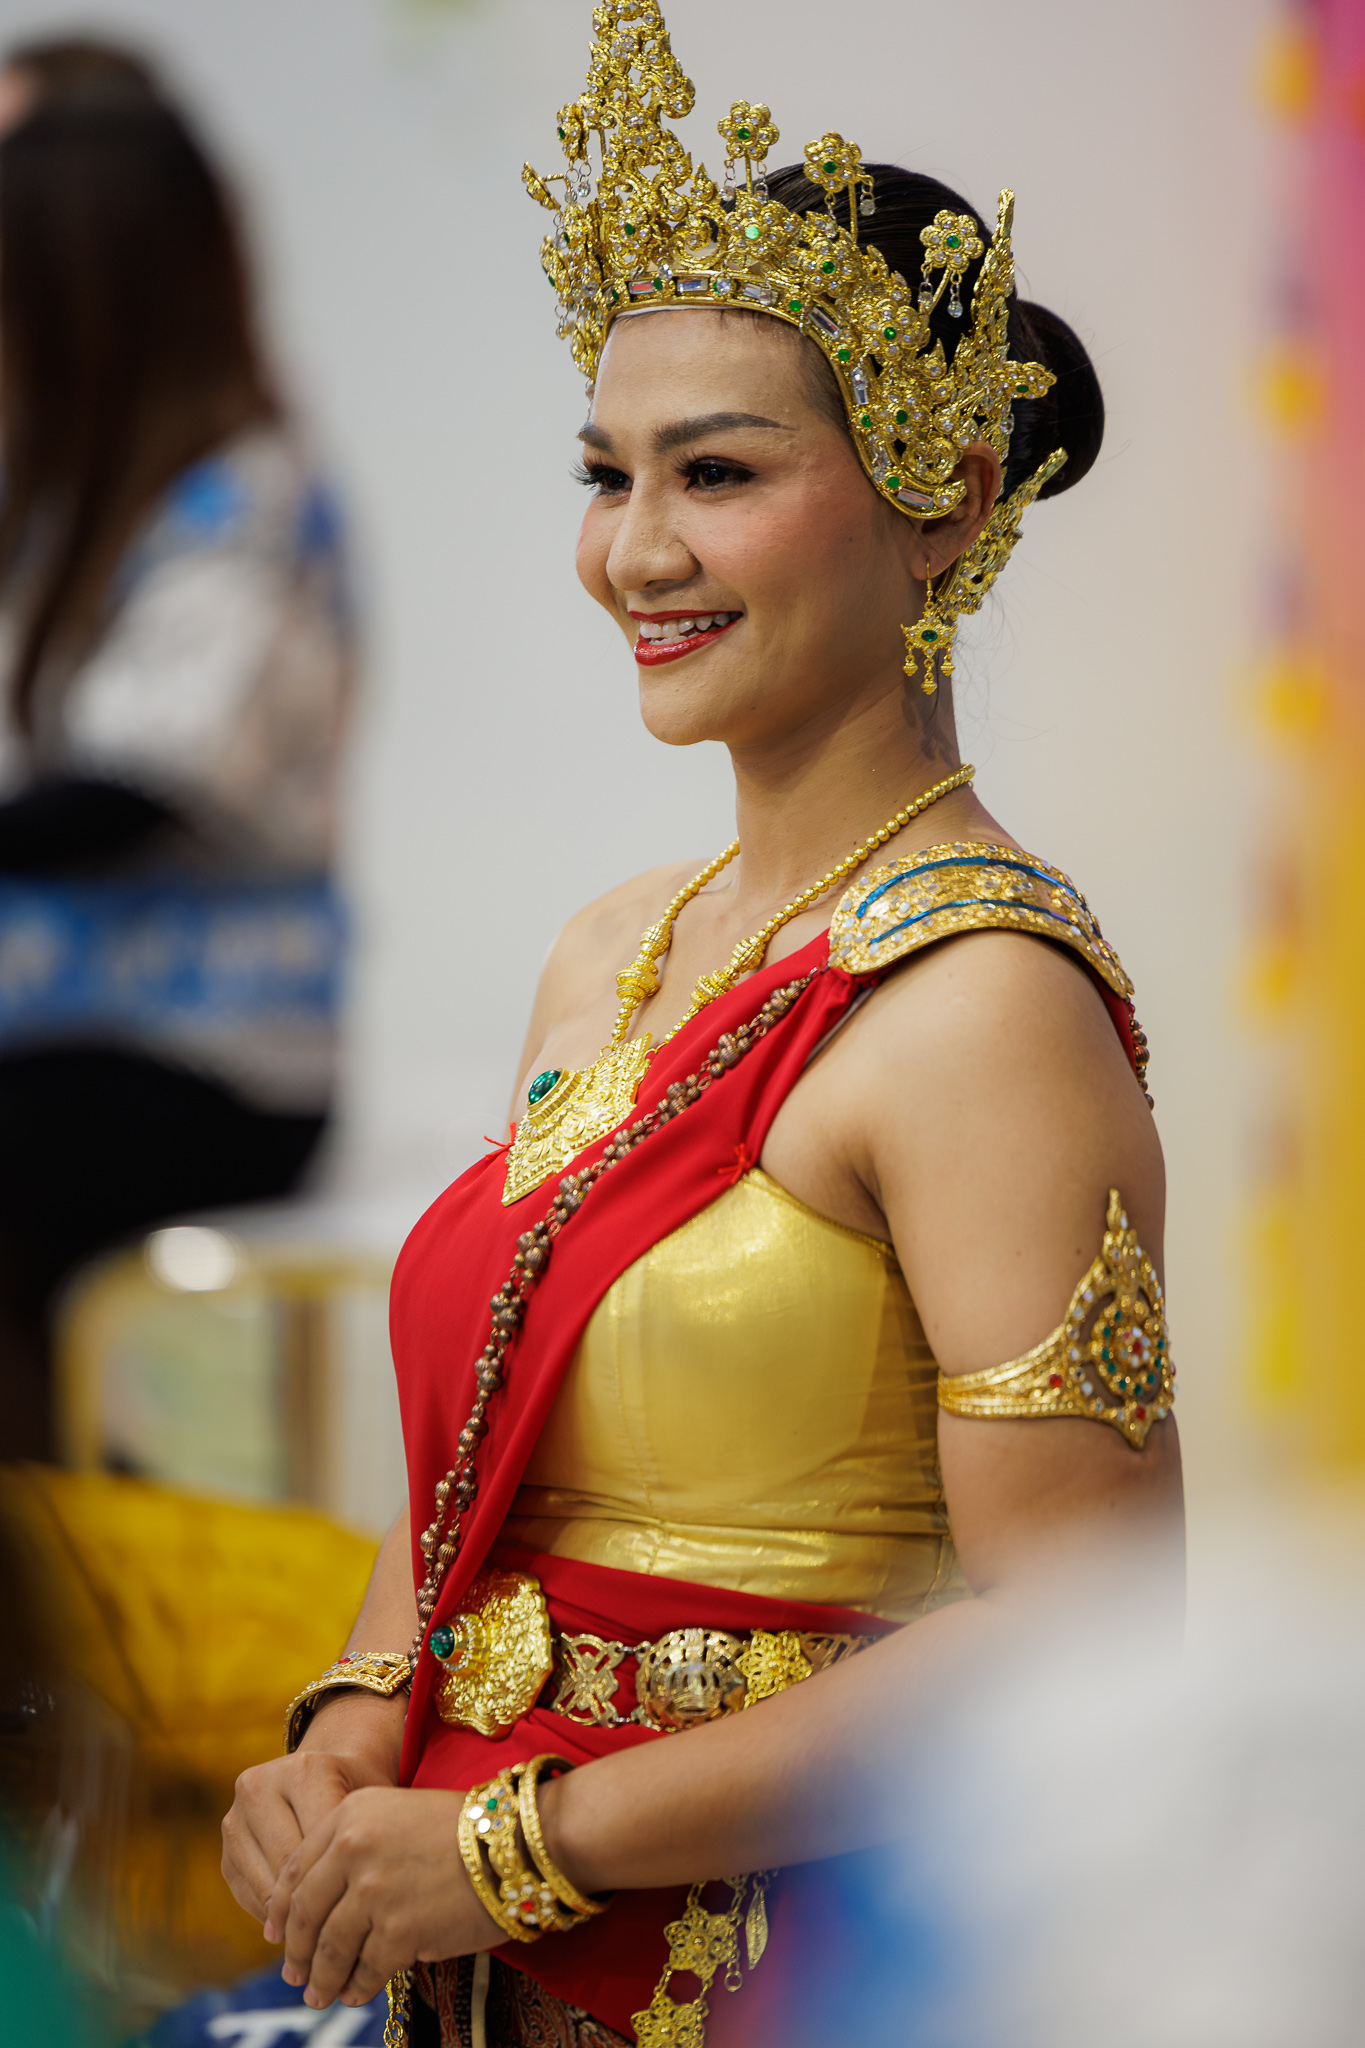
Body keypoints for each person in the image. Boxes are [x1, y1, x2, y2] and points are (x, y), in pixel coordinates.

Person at [221, 4, 1182, 2043]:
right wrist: (349, 1725)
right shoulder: (612, 951)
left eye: (717, 473)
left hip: (772, 1972)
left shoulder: (980, 1005)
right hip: (457, 1939)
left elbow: (1080, 1632)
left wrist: (518, 1847)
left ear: (943, 502)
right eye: (605, 475)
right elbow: (483, 1471)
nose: (633, 552)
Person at [0, 42, 355, 1459]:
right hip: (51, 1043)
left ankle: (62, 1559)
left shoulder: (246, 504)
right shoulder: (56, 497)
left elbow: (131, 790)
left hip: (208, 1067)